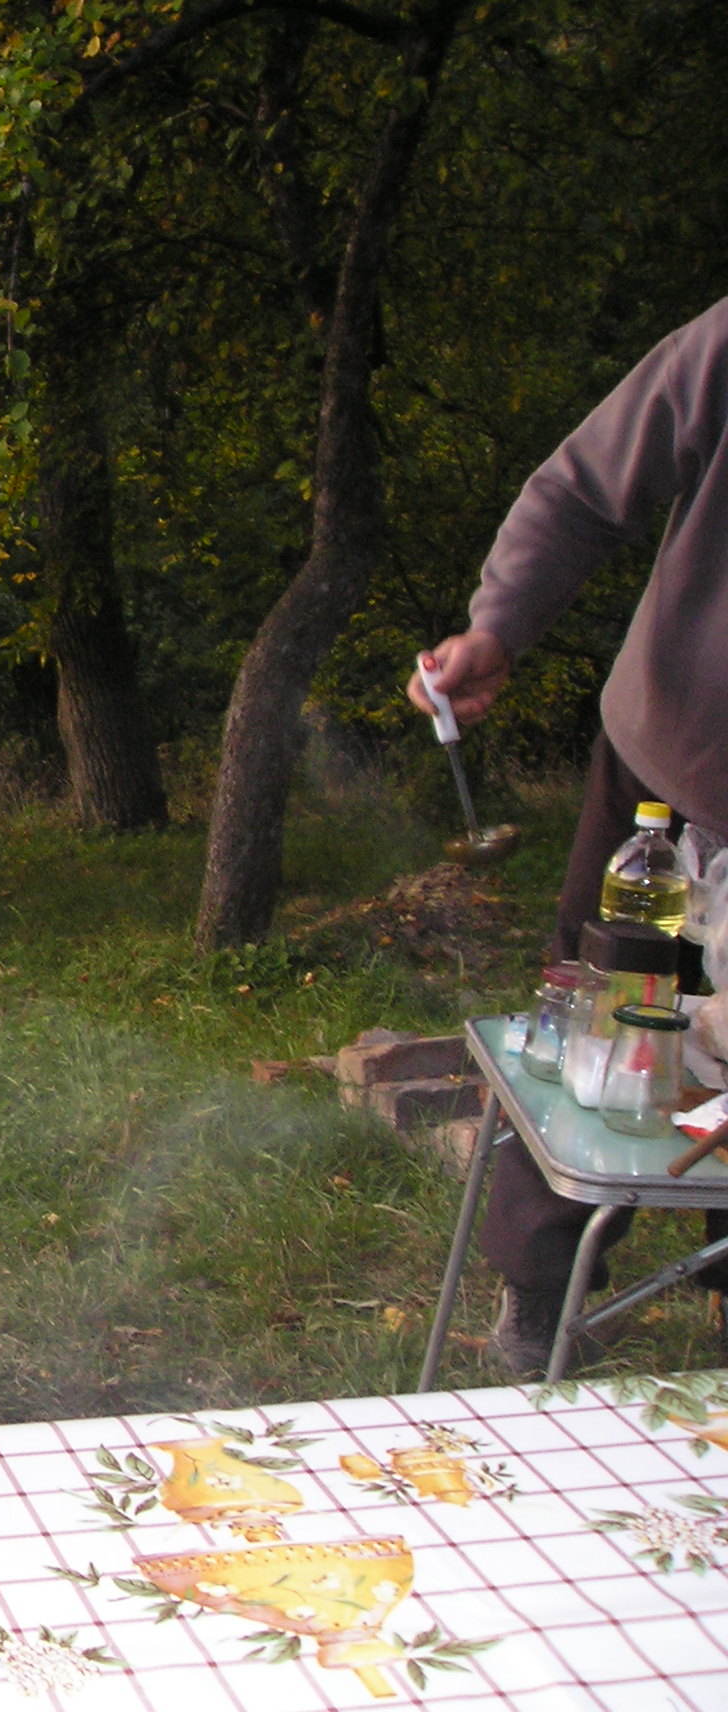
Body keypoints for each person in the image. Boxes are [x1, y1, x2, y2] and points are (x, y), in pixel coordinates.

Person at [411, 294, 728, 1377]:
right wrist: (496, 626)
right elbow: (586, 485)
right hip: (668, 765)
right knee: (590, 1021)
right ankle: (540, 1297)